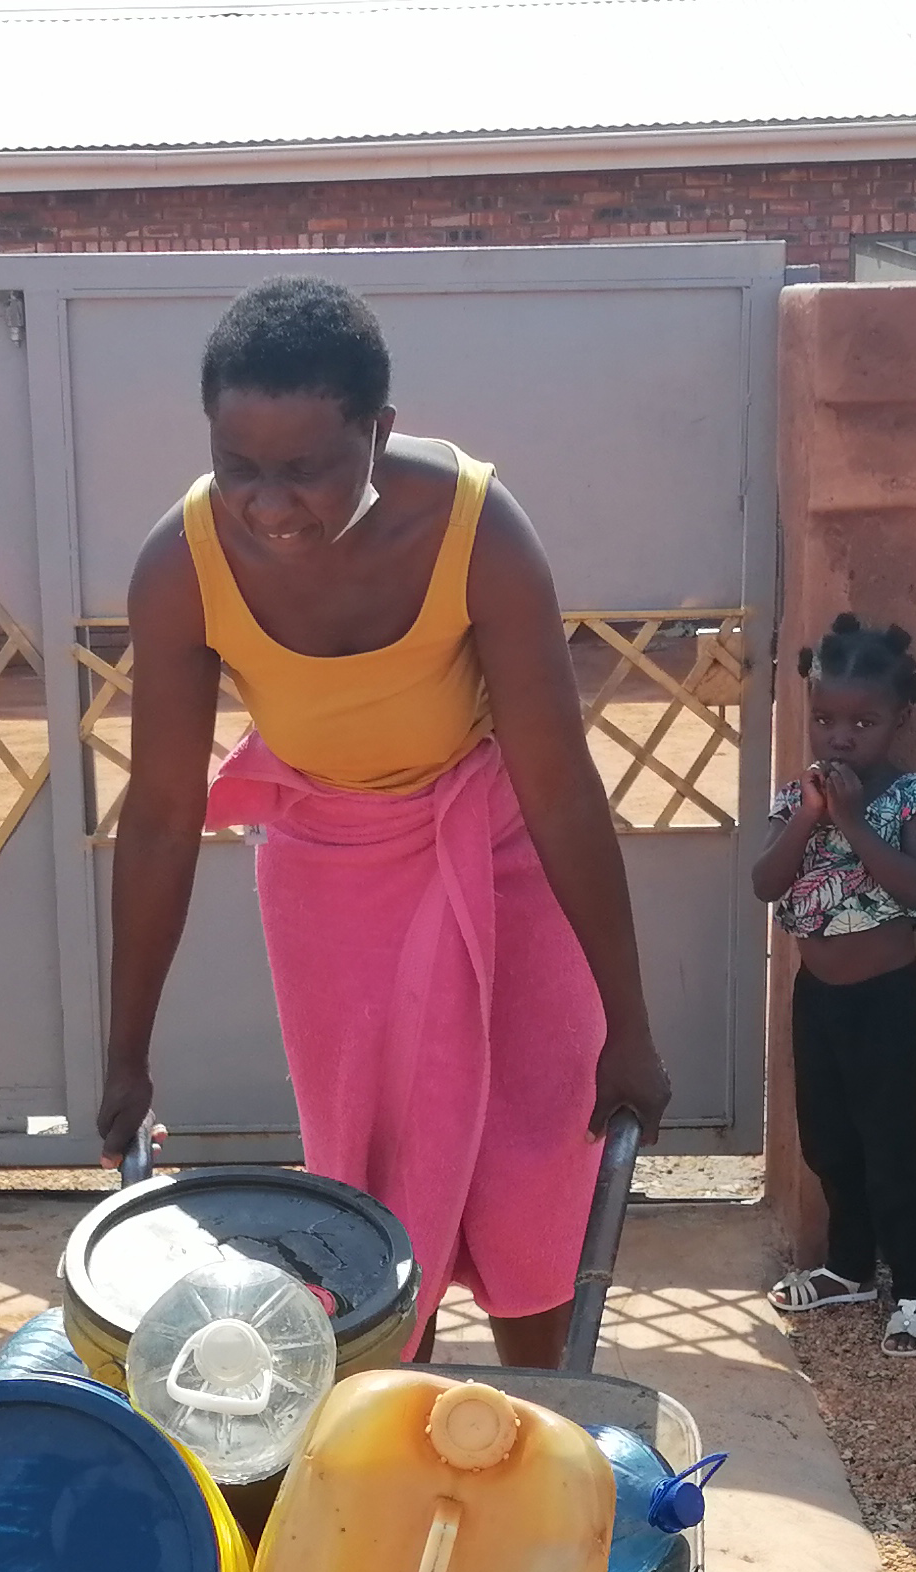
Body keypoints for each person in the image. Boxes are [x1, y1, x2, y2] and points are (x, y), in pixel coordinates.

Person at [99, 277, 669, 1369]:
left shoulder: (475, 528)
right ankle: (390, 1427)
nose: (270, 505)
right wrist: (127, 1053)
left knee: (531, 1158)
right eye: (239, 468)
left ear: (380, 432)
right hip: (330, 875)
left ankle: (530, 1414)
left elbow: (557, 782)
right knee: (369, 1180)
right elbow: (165, 813)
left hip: (495, 846)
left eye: (307, 469)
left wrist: (627, 1021)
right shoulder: (181, 565)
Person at [750, 614, 916, 1357]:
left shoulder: (915, 799)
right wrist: (808, 818)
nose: (841, 737)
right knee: (830, 1143)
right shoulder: (794, 798)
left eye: (863, 722)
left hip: (887, 1005)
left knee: (892, 1146)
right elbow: (765, 883)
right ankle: (849, 1269)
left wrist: (855, 821)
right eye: (827, 719)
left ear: (899, 720)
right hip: (820, 1002)